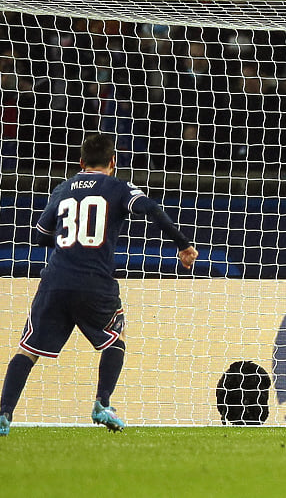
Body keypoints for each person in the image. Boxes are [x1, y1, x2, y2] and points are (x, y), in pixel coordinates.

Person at [0, 133, 199, 436]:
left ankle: (4, 414)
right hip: (95, 281)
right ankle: (102, 404)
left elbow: (41, 235)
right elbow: (152, 209)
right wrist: (183, 245)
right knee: (114, 339)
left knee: (27, 351)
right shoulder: (118, 187)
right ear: (113, 163)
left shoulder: (63, 189)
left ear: (81, 162)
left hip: (55, 281)